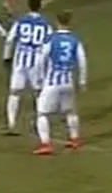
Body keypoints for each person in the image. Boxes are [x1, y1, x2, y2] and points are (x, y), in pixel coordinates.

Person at [33, 10, 88, 156]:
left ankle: (46, 144)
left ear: (57, 22)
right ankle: (74, 139)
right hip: (68, 82)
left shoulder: (51, 39)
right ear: (70, 23)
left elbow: (41, 59)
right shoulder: (75, 41)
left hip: (52, 83)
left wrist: (38, 79)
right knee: (70, 111)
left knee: (42, 113)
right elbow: (82, 62)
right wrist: (82, 81)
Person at [2, 0, 52, 135]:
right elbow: (50, 44)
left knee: (14, 93)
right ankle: (38, 123)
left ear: (28, 5)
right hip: (37, 63)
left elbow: (9, 40)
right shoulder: (46, 25)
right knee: (38, 94)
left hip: (20, 63)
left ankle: (11, 124)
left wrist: (6, 57)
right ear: (40, 6)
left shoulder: (20, 21)